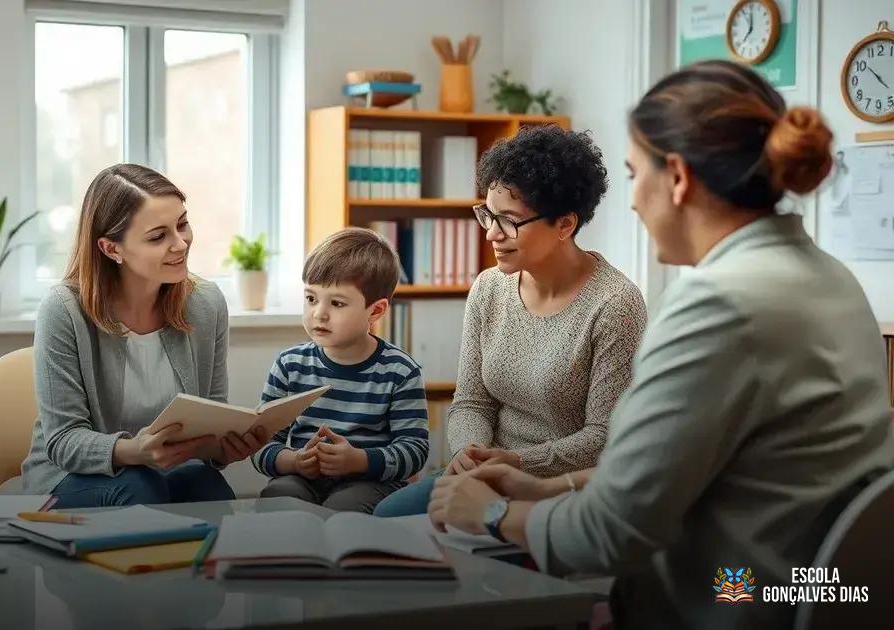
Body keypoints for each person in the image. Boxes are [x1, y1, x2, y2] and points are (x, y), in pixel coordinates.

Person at [428, 60, 894, 629]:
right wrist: (550, 486)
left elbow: (609, 535)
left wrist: (497, 512)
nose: (631, 201)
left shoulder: (717, 306)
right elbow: (690, 468)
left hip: (736, 595)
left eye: (633, 175)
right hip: (820, 590)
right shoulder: (831, 279)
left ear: (676, 178)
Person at [373, 125, 647, 517]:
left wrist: (517, 464)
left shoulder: (615, 305)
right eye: (487, 215)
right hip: (484, 474)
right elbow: (471, 401)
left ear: (565, 225)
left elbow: (604, 438)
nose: (490, 234)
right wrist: (471, 453)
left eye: (509, 221)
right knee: (387, 519)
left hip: (560, 489)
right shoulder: (489, 288)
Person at [21, 164, 267, 507]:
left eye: (182, 224)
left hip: (165, 473)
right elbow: (63, 440)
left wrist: (222, 446)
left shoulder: (206, 303)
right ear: (111, 249)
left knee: (206, 486)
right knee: (139, 486)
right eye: (157, 236)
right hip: (72, 476)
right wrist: (133, 451)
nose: (180, 244)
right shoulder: (63, 309)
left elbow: (212, 414)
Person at [251, 228, 429, 512]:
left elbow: (414, 451)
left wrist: (358, 460)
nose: (318, 313)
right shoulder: (289, 364)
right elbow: (260, 444)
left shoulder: (400, 371)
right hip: (301, 478)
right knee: (280, 497)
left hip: (368, 481)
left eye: (337, 303)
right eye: (311, 298)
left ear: (376, 311)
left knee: (344, 506)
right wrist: (294, 461)